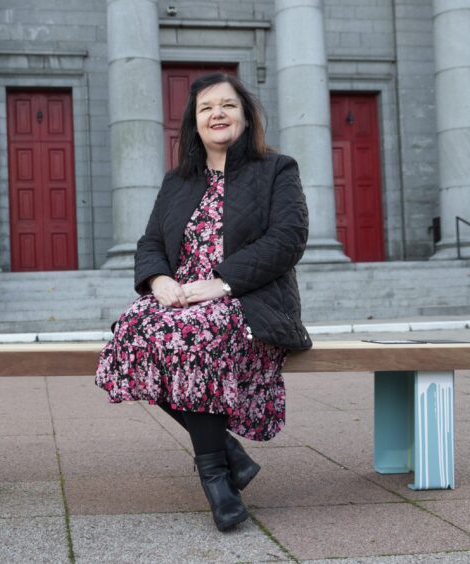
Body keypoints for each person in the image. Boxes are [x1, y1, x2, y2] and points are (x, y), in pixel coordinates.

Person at [95, 72, 312, 531]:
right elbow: (150, 242)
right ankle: (227, 454)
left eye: (227, 105)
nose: (217, 114)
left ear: (246, 115)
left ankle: (216, 479)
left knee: (187, 336)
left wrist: (221, 282)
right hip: (180, 301)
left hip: (246, 301)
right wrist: (157, 280)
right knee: (130, 334)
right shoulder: (177, 182)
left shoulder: (277, 169)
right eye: (206, 107)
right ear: (194, 124)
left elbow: (288, 239)